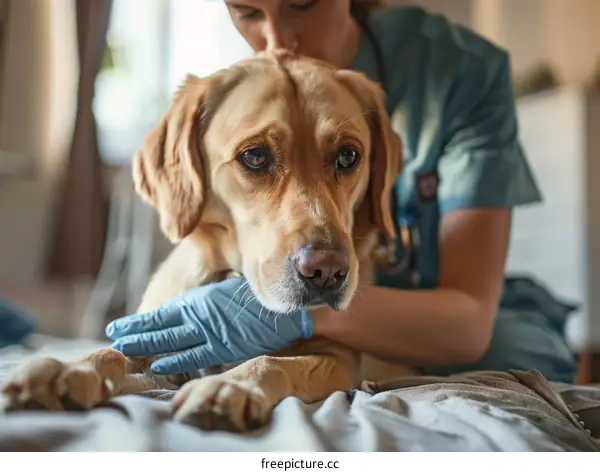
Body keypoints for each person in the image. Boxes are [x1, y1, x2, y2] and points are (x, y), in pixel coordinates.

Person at [105, 0, 579, 383]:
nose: (276, 41)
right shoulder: (237, 100)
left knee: (513, 359)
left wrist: (298, 320)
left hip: (447, 319)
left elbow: (469, 323)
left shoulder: (462, 72)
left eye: (302, 4)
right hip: (322, 309)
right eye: (247, 12)